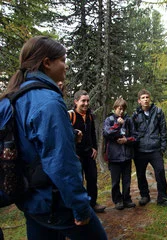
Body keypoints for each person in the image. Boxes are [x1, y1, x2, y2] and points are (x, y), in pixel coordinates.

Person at [0, 36, 108, 239]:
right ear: (47, 62)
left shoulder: (10, 98)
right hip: (55, 201)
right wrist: (81, 208)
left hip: (29, 199)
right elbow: (61, 163)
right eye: (63, 60)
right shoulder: (48, 101)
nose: (66, 66)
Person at [132, 89, 167, 207]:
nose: (145, 99)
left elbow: (163, 131)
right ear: (139, 101)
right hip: (140, 150)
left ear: (149, 99)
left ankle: (162, 198)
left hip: (155, 149)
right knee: (140, 174)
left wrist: (162, 148)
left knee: (160, 172)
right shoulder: (135, 115)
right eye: (143, 98)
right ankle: (144, 195)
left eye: (147, 97)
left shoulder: (158, 112)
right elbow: (133, 132)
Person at [69, 90, 106, 213]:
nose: (86, 103)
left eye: (87, 101)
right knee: (78, 181)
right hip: (76, 155)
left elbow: (92, 133)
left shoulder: (89, 115)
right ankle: (80, 207)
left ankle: (92, 204)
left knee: (92, 179)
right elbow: (63, 134)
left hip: (89, 153)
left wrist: (94, 147)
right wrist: (71, 153)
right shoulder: (70, 115)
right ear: (76, 102)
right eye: (83, 101)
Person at [103, 98, 136, 210]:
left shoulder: (129, 120)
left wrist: (127, 140)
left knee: (127, 180)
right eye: (119, 109)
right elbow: (107, 133)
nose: (121, 111)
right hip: (114, 157)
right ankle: (117, 200)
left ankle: (127, 199)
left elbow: (135, 137)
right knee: (115, 181)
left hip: (126, 156)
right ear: (115, 108)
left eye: (123, 109)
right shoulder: (109, 119)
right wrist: (117, 124)